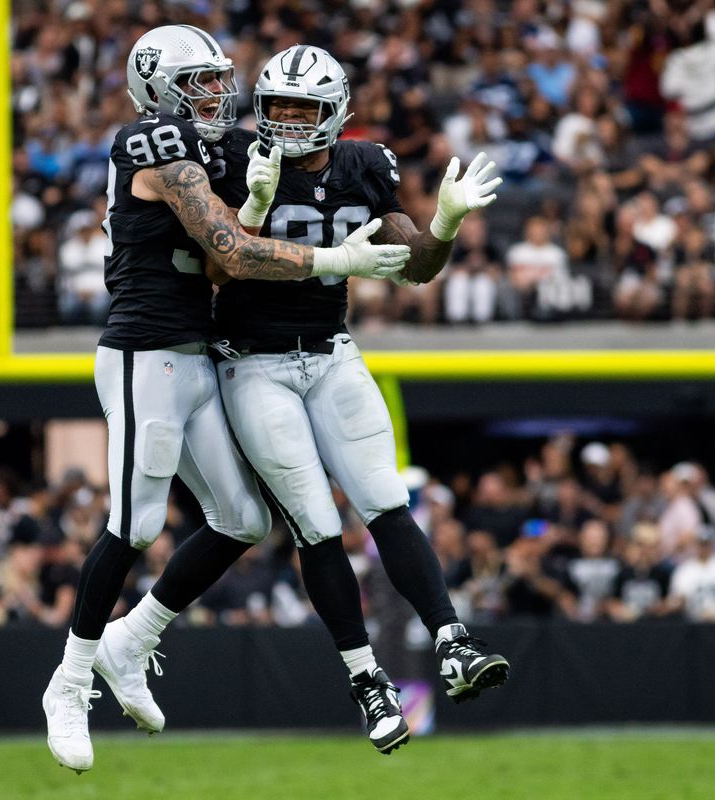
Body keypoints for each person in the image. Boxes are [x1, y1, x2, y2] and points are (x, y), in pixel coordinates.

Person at [42, 26, 410, 774]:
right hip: (145, 351)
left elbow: (243, 237)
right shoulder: (149, 143)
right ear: (158, 92)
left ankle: (132, 640)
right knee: (135, 523)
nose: (218, 94)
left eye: (218, 80)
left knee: (243, 517)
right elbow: (235, 254)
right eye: (198, 84)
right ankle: (69, 682)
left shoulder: (216, 148)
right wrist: (341, 258)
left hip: (198, 350)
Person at [202, 45, 508, 749]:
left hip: (332, 355)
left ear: (333, 113)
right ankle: (368, 682)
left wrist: (446, 224)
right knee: (315, 523)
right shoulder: (239, 158)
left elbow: (414, 268)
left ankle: (454, 642)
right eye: (275, 104)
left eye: (300, 108)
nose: (283, 119)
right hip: (254, 364)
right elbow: (218, 268)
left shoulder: (364, 165)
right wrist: (251, 201)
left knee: (386, 504)